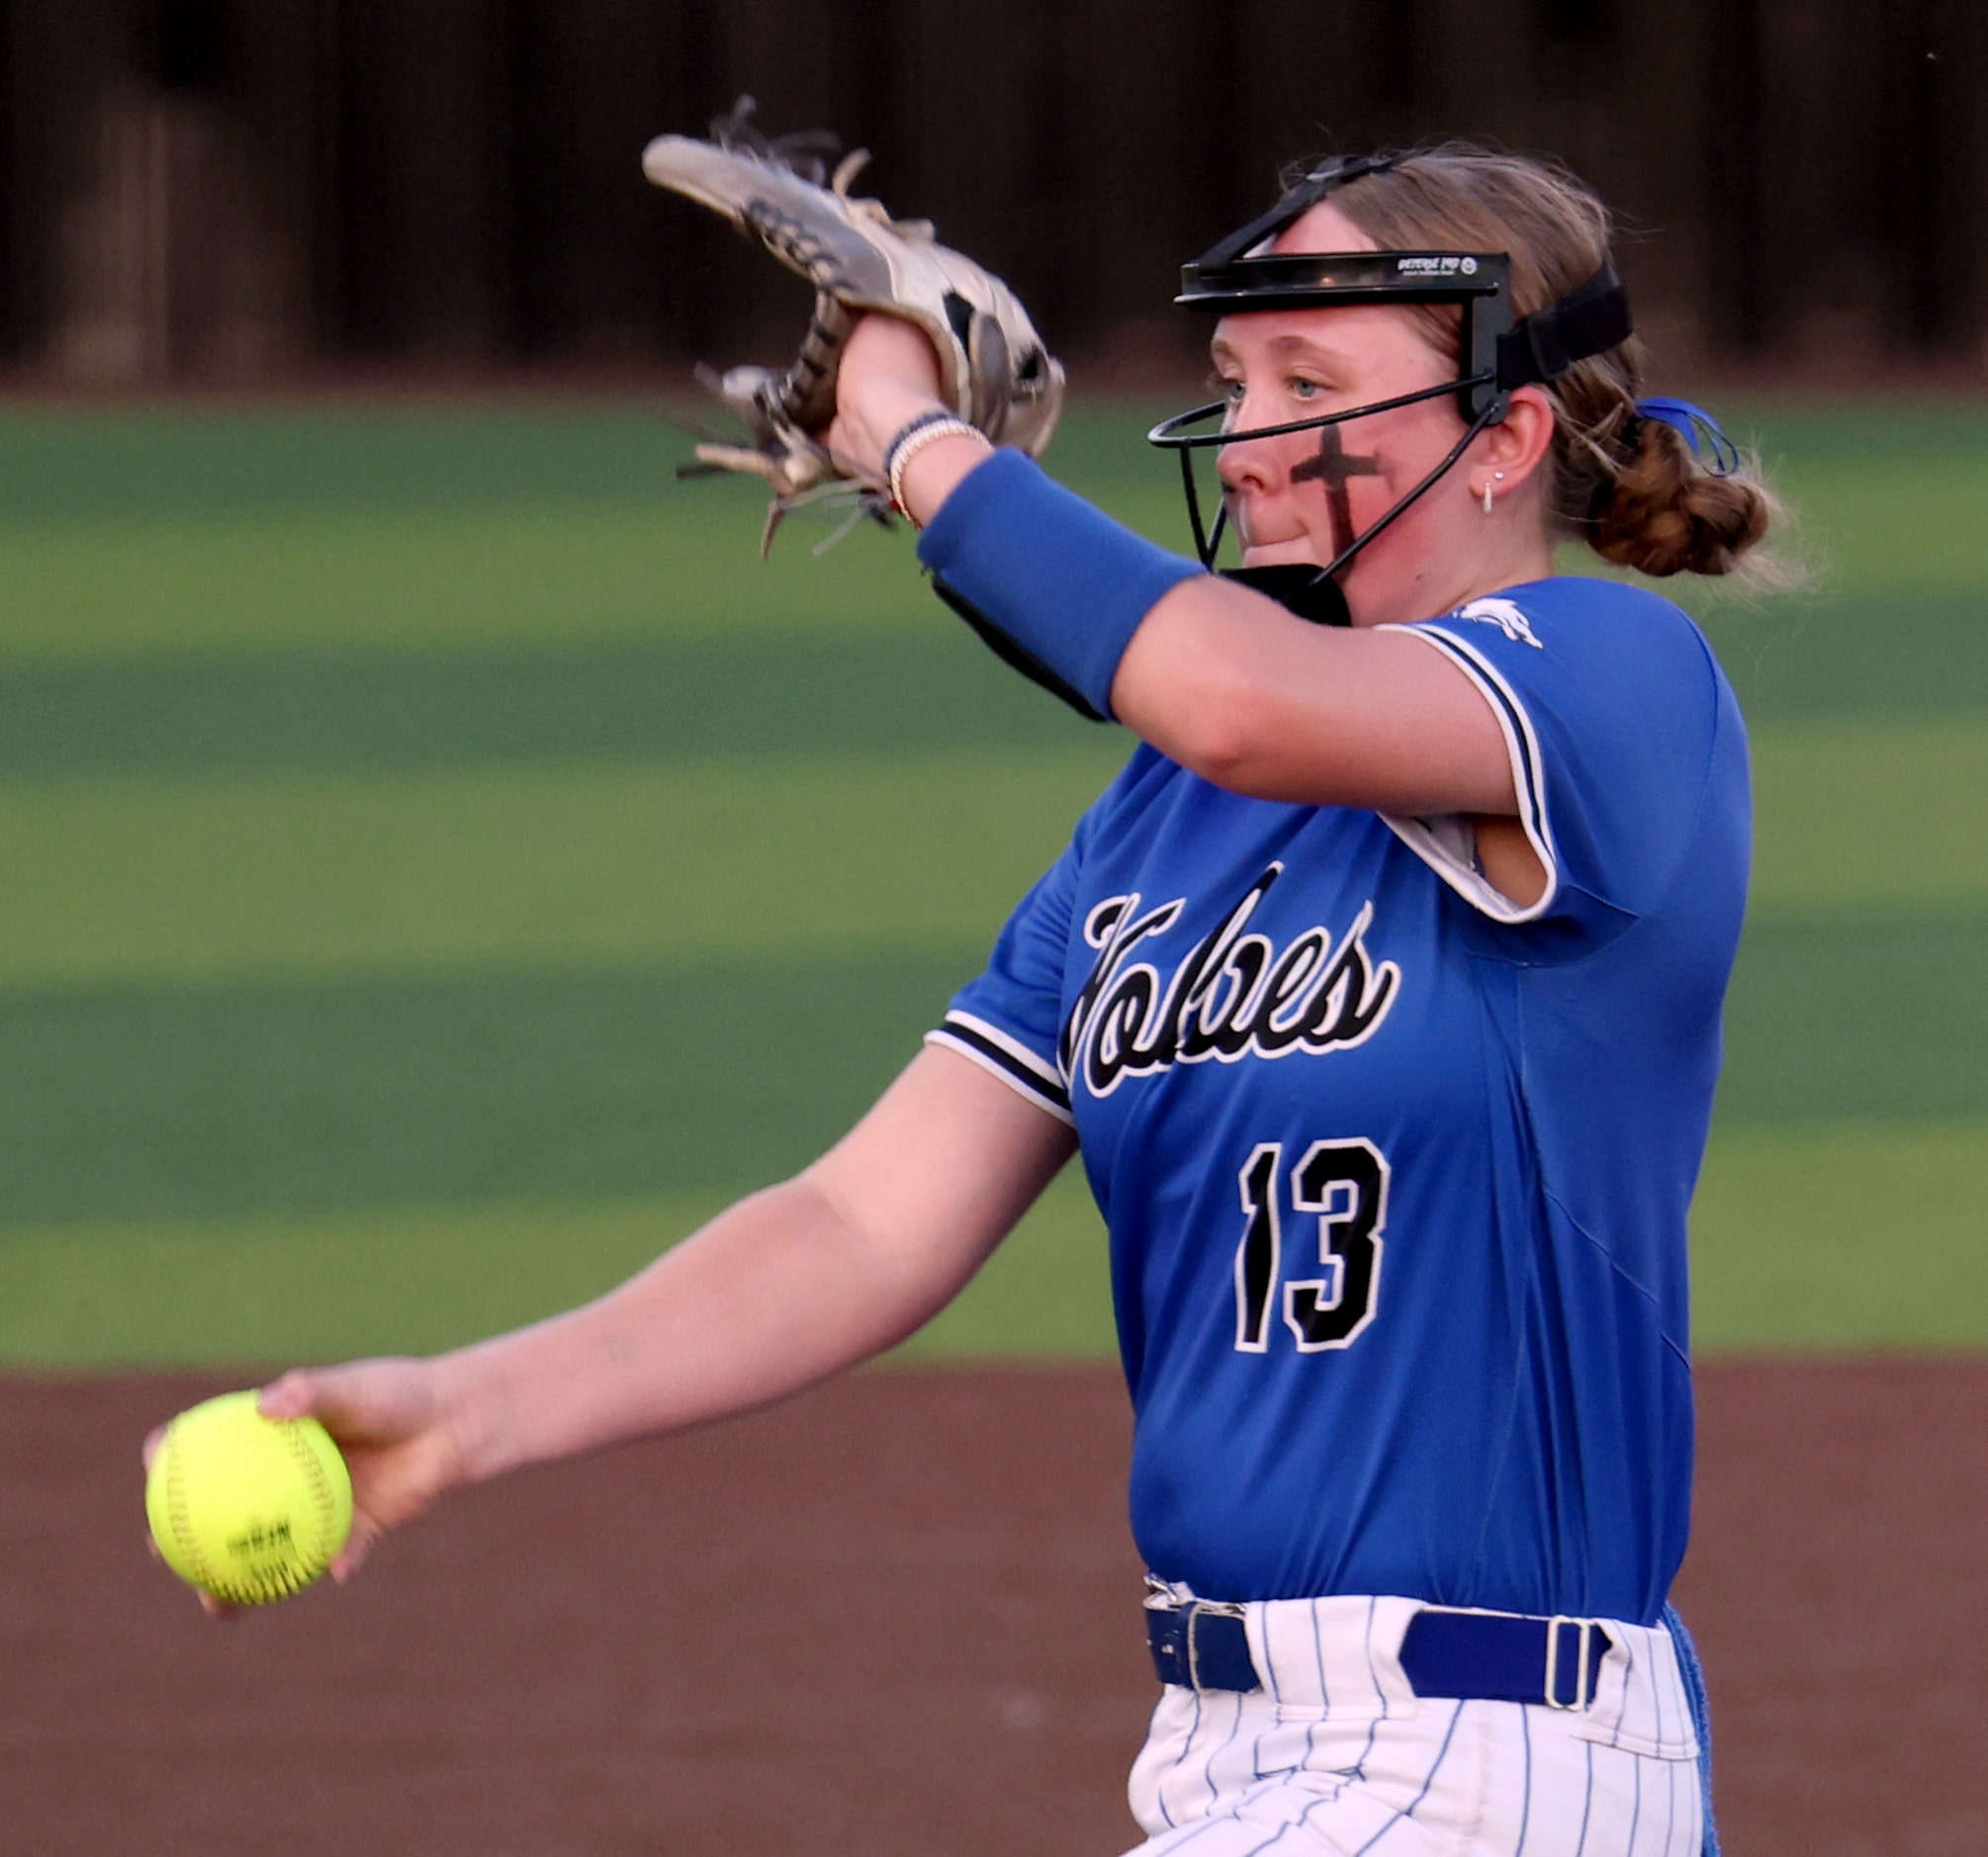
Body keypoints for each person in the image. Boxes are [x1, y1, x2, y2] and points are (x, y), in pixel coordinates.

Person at [165, 143, 1770, 1855]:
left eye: (1315, 380)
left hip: (1487, 1754)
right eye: (1238, 379)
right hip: (1233, 1754)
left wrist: (907, 432)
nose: (1249, 431)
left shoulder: (1613, 687)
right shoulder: (1162, 822)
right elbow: (859, 1221)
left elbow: (1231, 691)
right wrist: (470, 1405)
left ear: (1506, 436)